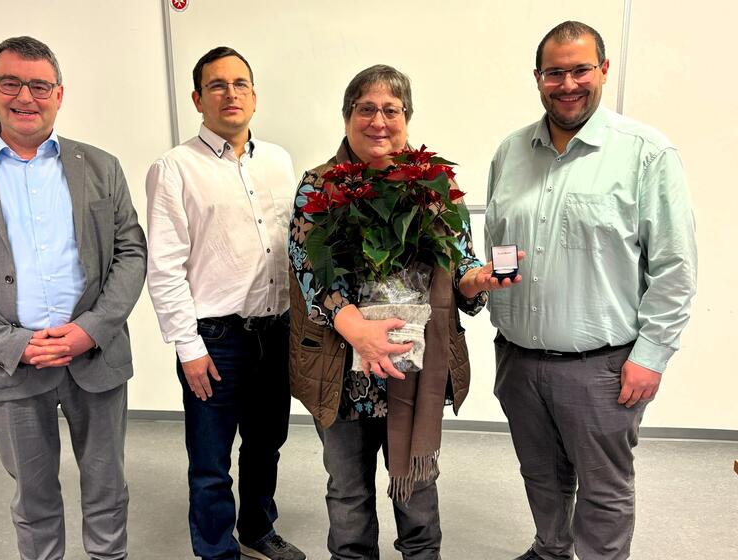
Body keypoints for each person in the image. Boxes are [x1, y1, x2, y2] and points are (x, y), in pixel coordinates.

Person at [0, 36, 147, 560]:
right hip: (11, 367)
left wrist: (92, 328)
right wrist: (13, 343)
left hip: (96, 355)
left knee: (108, 489)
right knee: (34, 496)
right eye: (11, 82)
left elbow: (131, 253)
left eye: (39, 84)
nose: (26, 96)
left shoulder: (100, 166)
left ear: (59, 94)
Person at [485, 21, 697, 560]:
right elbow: (497, 245)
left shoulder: (646, 153)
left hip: (601, 367)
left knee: (603, 493)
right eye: (555, 72)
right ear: (538, 78)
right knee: (540, 477)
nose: (568, 83)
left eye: (581, 69)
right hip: (519, 360)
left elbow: (674, 268)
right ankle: (551, 549)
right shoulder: (510, 151)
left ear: (603, 70)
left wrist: (651, 356)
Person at [288, 64, 515, 560]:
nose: (379, 120)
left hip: (415, 363)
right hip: (344, 370)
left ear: (407, 117)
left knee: (417, 493)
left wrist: (475, 280)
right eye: (365, 108)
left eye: (391, 109)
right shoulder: (318, 186)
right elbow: (311, 274)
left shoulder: (433, 183)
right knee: (347, 494)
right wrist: (361, 334)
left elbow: (462, 258)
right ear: (347, 116)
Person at [145, 46, 304, 560]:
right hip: (215, 338)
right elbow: (164, 266)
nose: (229, 94)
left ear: (254, 96)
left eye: (240, 84)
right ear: (197, 98)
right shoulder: (174, 168)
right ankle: (216, 551)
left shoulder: (279, 161)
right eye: (217, 85)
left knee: (266, 445)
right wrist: (186, 347)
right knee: (211, 460)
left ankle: (257, 528)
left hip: (276, 330)